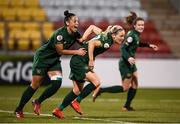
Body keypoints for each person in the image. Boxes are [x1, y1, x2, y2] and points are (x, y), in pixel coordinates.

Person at [14, 10, 87, 118]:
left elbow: (83, 41)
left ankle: (38, 101)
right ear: (67, 23)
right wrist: (77, 52)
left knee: (56, 84)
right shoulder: (60, 35)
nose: (77, 23)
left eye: (78, 21)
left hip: (54, 61)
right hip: (42, 58)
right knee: (35, 85)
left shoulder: (75, 34)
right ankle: (19, 109)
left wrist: (96, 38)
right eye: (75, 21)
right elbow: (60, 51)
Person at [52, 24, 126, 119]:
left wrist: (83, 38)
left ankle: (58, 110)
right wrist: (91, 60)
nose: (122, 38)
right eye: (121, 36)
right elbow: (92, 44)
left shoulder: (104, 34)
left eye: (123, 36)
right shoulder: (107, 41)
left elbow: (91, 27)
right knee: (96, 81)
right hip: (79, 61)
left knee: (77, 90)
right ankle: (76, 101)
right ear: (114, 35)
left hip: (79, 60)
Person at [92, 11, 158, 111]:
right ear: (134, 26)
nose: (141, 27)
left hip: (131, 63)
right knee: (125, 88)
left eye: (143, 25)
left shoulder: (135, 34)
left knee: (135, 83)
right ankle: (101, 90)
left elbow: (137, 43)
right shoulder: (131, 35)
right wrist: (128, 58)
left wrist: (149, 45)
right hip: (125, 63)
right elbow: (123, 48)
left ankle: (126, 106)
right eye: (139, 25)